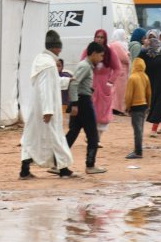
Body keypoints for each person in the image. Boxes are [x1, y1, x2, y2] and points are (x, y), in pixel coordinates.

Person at [20, 30, 77, 179]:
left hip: (37, 108)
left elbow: (53, 82)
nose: (60, 50)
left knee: (31, 137)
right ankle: (63, 169)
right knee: (55, 137)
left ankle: (25, 170)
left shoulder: (42, 62)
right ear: (55, 48)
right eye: (59, 47)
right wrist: (47, 110)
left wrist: (67, 81)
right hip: (46, 110)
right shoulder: (48, 65)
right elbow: (46, 88)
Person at [66, 41, 107, 174]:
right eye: (100, 56)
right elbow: (73, 84)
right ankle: (90, 165)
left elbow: (77, 83)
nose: (101, 59)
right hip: (83, 103)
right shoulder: (85, 66)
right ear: (94, 54)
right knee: (93, 135)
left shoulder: (85, 65)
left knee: (72, 133)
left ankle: (57, 162)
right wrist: (75, 104)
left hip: (80, 101)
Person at [81, 29, 118, 145]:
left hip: (104, 86)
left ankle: (97, 138)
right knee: (90, 111)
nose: (99, 39)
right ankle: (90, 136)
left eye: (102, 37)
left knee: (103, 113)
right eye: (97, 37)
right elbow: (82, 64)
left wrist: (110, 81)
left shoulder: (110, 51)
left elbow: (117, 68)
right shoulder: (89, 50)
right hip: (91, 84)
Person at [140, 31, 161, 135]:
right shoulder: (147, 52)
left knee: (159, 103)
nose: (151, 39)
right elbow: (139, 60)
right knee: (157, 104)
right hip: (152, 82)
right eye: (149, 37)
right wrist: (144, 48)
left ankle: (154, 128)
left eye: (153, 37)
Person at [123, 57, 151, 159]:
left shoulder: (132, 78)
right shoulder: (145, 76)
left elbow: (128, 95)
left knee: (137, 130)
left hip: (135, 106)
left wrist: (127, 107)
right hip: (144, 105)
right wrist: (149, 104)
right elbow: (149, 93)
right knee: (140, 129)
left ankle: (138, 152)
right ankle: (138, 149)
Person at [109, 28, 131, 116]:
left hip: (119, 71)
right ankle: (118, 108)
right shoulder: (117, 45)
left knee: (116, 90)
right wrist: (128, 55)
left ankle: (116, 108)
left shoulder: (114, 44)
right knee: (119, 91)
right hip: (120, 71)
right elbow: (124, 58)